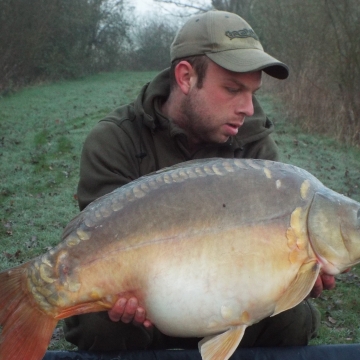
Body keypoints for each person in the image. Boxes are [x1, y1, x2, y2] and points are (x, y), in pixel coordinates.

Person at [64, 10, 336, 353]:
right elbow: (98, 243)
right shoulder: (115, 140)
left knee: (294, 319)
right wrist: (119, 288)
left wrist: (295, 275)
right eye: (233, 89)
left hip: (230, 299)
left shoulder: (256, 148)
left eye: (252, 92)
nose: (248, 108)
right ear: (186, 77)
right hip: (148, 305)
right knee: (99, 323)